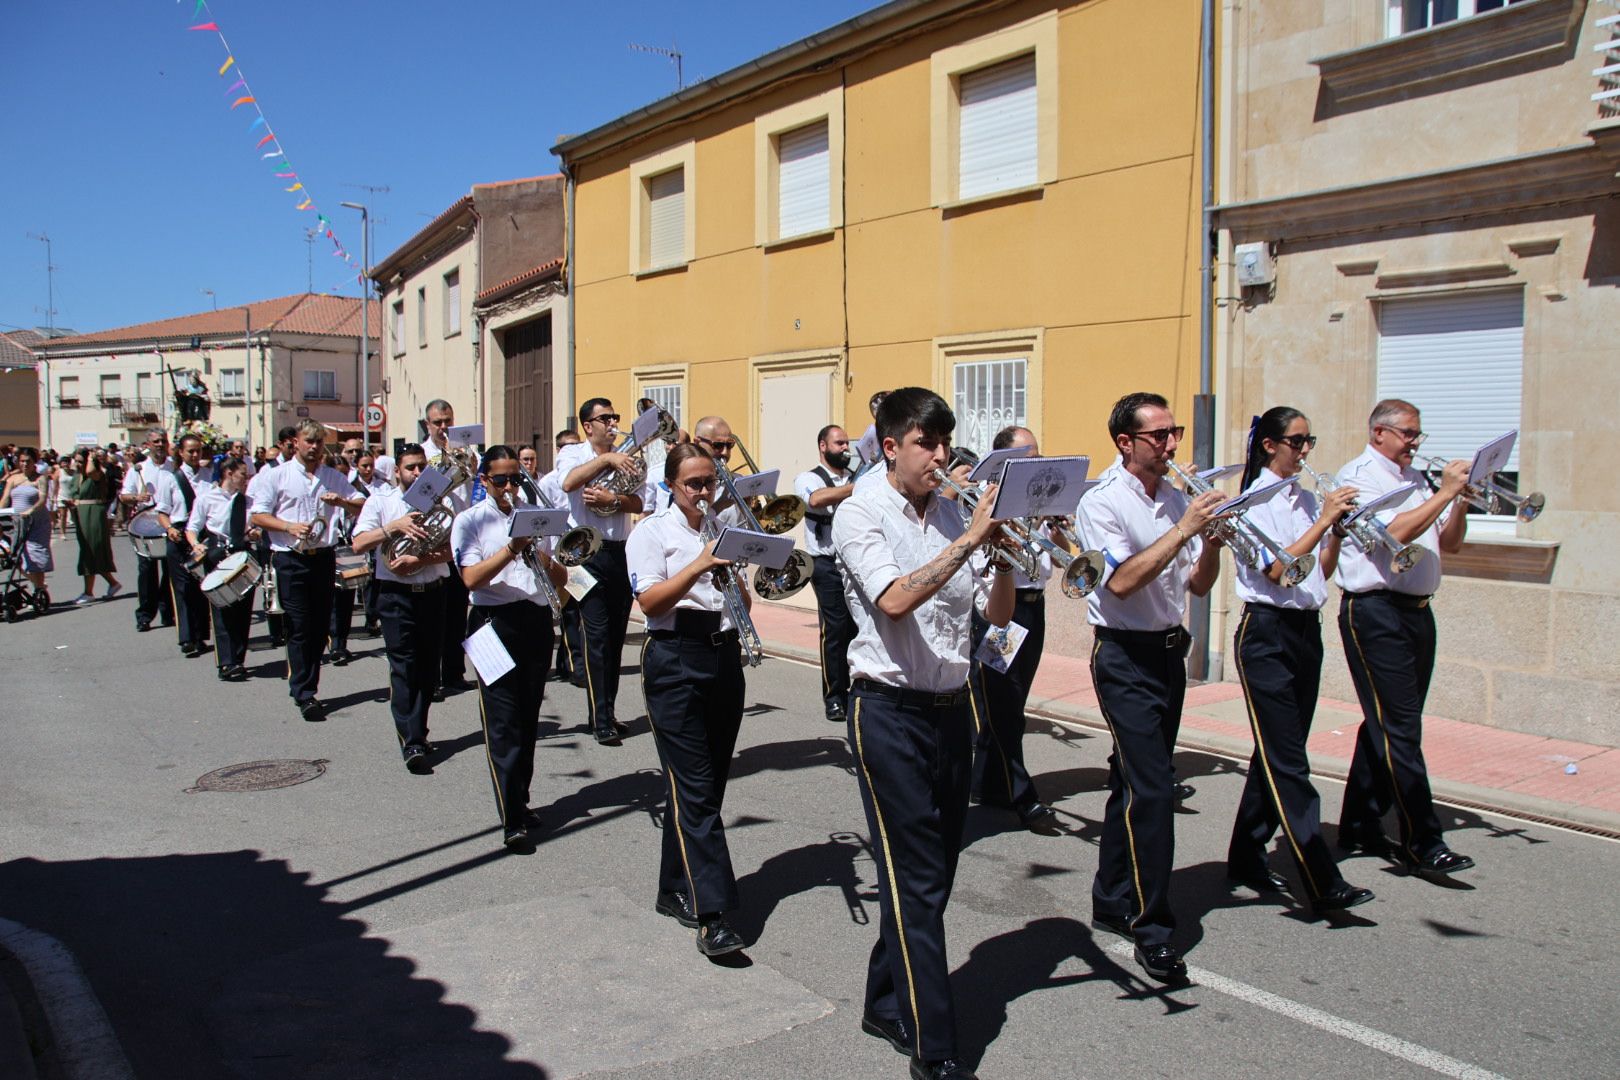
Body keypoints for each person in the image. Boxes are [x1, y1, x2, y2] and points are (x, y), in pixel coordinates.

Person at [833, 388, 1014, 1080]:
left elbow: (994, 615)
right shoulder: (860, 513)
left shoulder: (952, 515)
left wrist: (997, 554)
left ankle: (884, 999)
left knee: (932, 876)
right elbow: (895, 600)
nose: (942, 458)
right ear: (890, 447)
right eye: (927, 444)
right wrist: (970, 538)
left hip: (950, 708)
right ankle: (933, 1043)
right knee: (914, 880)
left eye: (946, 443)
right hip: (886, 710)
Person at [1077, 392, 1226, 984]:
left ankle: (1110, 895)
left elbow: (1196, 583)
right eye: (1159, 435)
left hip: (1168, 652)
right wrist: (1186, 526)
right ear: (1126, 442)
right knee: (1155, 789)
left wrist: (1209, 540)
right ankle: (1153, 928)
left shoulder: (1173, 497)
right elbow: (1120, 584)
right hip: (1122, 656)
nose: (1171, 445)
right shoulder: (1102, 502)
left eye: (1174, 433)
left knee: (1133, 781)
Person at [1225, 407, 1375, 914]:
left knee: (1276, 750)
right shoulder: (1250, 502)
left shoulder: (1308, 499)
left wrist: (1335, 532)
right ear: (1270, 445)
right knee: (1289, 760)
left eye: (1310, 440)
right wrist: (1326, 519)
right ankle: (1321, 878)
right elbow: (1275, 568)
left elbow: (1316, 572)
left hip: (1305, 631)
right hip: (1266, 633)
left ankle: (1245, 855)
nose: (1306, 450)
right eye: (1297, 441)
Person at [1334, 399, 1474, 879]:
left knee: (1388, 722)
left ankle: (1358, 822)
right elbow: (1393, 532)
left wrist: (1459, 502)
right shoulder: (1358, 477)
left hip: (1417, 613)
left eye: (1418, 435)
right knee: (1401, 729)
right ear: (1379, 433)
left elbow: (1448, 543)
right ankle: (1423, 840)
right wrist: (1443, 493)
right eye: (1409, 434)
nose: (1416, 442)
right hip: (1375, 612)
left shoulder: (1415, 479)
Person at [628, 443, 751, 957]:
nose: (704, 492)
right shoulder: (649, 533)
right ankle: (713, 916)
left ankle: (671, 888)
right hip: (676, 656)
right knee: (695, 790)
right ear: (671, 486)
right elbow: (649, 601)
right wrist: (701, 565)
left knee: (705, 789)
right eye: (693, 484)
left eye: (710, 482)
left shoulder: (722, 527)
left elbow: (742, 599)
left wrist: (737, 579)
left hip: (723, 655)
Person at [451, 445, 568, 846]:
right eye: (499, 479)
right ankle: (511, 817)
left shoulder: (536, 516)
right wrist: (512, 548)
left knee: (528, 717)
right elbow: (471, 579)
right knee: (502, 721)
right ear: (484, 481)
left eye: (515, 478)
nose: (508, 486)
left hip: (533, 621)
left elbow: (561, 578)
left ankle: (521, 798)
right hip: (491, 623)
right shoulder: (469, 522)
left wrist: (541, 554)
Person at [966, 426, 1065, 832]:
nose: (1037, 463)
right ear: (1004, 461)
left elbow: (1054, 563)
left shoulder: (1036, 501)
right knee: (1004, 708)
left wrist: (1055, 528)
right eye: (1029, 456)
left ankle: (986, 784)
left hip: (1033, 608)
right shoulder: (987, 502)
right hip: (998, 614)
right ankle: (1022, 797)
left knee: (1011, 703)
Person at [250, 420, 364, 721]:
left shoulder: (330, 476)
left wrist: (340, 501)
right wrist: (288, 525)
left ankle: (305, 683)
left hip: (322, 557)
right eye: (308, 441)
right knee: (300, 625)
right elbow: (258, 515)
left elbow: (361, 504)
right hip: (291, 558)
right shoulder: (277, 476)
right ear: (296, 442)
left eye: (319, 442)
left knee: (318, 627)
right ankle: (305, 692)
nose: (314, 447)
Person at [353, 443, 451, 773]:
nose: (417, 472)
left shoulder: (442, 501)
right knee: (404, 666)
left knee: (427, 669)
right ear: (397, 471)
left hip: (433, 593)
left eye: (421, 466)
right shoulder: (381, 501)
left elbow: (452, 552)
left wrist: (420, 558)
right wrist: (393, 527)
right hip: (396, 594)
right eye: (410, 467)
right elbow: (358, 542)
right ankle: (411, 740)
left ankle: (418, 731)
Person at [559, 398, 650, 745]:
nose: (612, 422)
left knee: (614, 637)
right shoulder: (574, 453)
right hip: (583, 553)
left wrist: (615, 502)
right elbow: (569, 483)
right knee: (595, 634)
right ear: (588, 425)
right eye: (605, 418)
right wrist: (608, 459)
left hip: (619, 552)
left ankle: (606, 711)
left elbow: (639, 503)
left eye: (615, 416)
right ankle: (600, 720)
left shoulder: (630, 458)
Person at [794, 424, 858, 724]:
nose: (845, 448)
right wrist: (859, 488)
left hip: (857, 562)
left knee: (861, 627)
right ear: (823, 446)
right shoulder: (809, 478)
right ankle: (835, 696)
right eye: (839, 443)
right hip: (826, 563)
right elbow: (816, 500)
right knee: (835, 630)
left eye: (847, 443)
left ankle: (860, 690)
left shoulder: (857, 475)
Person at [185, 456, 259, 681]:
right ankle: (226, 662)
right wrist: (196, 544)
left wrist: (256, 533)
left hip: (242, 554)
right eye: (242, 475)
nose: (246, 480)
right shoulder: (207, 498)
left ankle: (238, 658)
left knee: (243, 609)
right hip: (218, 554)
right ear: (228, 473)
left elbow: (256, 526)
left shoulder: (248, 501)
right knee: (222, 609)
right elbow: (192, 528)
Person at [424, 399, 476, 697]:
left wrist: (468, 462)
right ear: (428, 425)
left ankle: (454, 672)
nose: (443, 427)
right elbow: (425, 491)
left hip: (459, 537)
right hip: (434, 537)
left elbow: (474, 488)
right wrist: (446, 462)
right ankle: (431, 678)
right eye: (437, 422)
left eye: (447, 421)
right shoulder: (424, 455)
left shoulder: (466, 450)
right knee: (434, 616)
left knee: (457, 612)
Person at [119, 428, 179, 632]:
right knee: (146, 572)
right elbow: (124, 496)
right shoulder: (139, 469)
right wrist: (137, 497)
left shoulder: (175, 467)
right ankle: (145, 615)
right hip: (145, 524)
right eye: (156, 442)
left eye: (163, 441)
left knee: (171, 571)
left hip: (169, 523)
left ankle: (168, 612)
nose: (160, 445)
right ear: (148, 445)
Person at [247, 426, 298, 648]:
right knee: (272, 583)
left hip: (296, 540)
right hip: (273, 536)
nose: (292, 446)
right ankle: (275, 629)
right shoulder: (267, 473)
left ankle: (290, 628)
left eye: (295, 442)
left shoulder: (300, 471)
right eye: (289, 443)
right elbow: (254, 507)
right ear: (280, 445)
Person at [544, 432, 587, 683]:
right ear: (558, 450)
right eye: (566, 447)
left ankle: (566, 662)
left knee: (583, 609)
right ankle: (575, 665)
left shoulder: (587, 477)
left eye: (575, 446)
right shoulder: (550, 481)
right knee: (570, 612)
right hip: (563, 551)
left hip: (583, 548)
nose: (570, 451)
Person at [167, 434, 214, 659]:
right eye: (190, 451)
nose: (195, 455)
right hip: (179, 533)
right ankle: (187, 638)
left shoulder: (209, 476)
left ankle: (201, 634)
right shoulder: (171, 478)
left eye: (198, 451)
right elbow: (162, 512)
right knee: (183, 587)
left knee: (202, 585)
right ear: (181, 453)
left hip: (202, 534)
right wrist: (169, 529)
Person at [63, 448, 121, 603]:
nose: (78, 464)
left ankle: (89, 592)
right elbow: (76, 495)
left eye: (81, 461)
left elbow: (90, 472)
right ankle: (112, 583)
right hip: (81, 514)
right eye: (76, 461)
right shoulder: (76, 477)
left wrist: (90, 458)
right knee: (88, 550)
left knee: (91, 550)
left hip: (94, 514)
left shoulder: (96, 474)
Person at [3, 449, 55, 605]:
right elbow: (5, 499)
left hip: (37, 522)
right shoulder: (13, 479)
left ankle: (39, 590)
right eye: (22, 461)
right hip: (18, 523)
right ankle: (39, 586)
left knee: (36, 557)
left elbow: (43, 498)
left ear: (34, 463)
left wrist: (31, 510)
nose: (25, 464)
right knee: (16, 557)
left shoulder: (40, 479)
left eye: (28, 461)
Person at [352, 452, 383, 636]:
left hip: (377, 540)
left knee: (376, 581)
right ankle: (370, 616)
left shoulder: (382, 485)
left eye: (371, 465)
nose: (368, 469)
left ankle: (373, 617)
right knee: (366, 582)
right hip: (361, 536)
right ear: (357, 467)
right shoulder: (352, 486)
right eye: (364, 465)